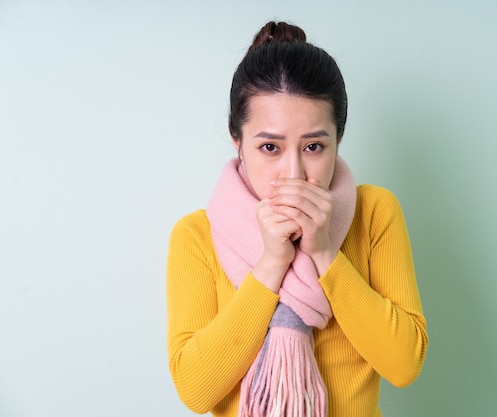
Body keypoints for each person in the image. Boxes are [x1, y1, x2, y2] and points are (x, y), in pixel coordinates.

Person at [166, 21, 428, 417]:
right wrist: (272, 264)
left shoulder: (373, 213)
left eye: (314, 146)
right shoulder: (197, 236)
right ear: (237, 141)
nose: (294, 173)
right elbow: (195, 390)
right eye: (270, 146)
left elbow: (405, 364)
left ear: (338, 139)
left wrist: (323, 251)